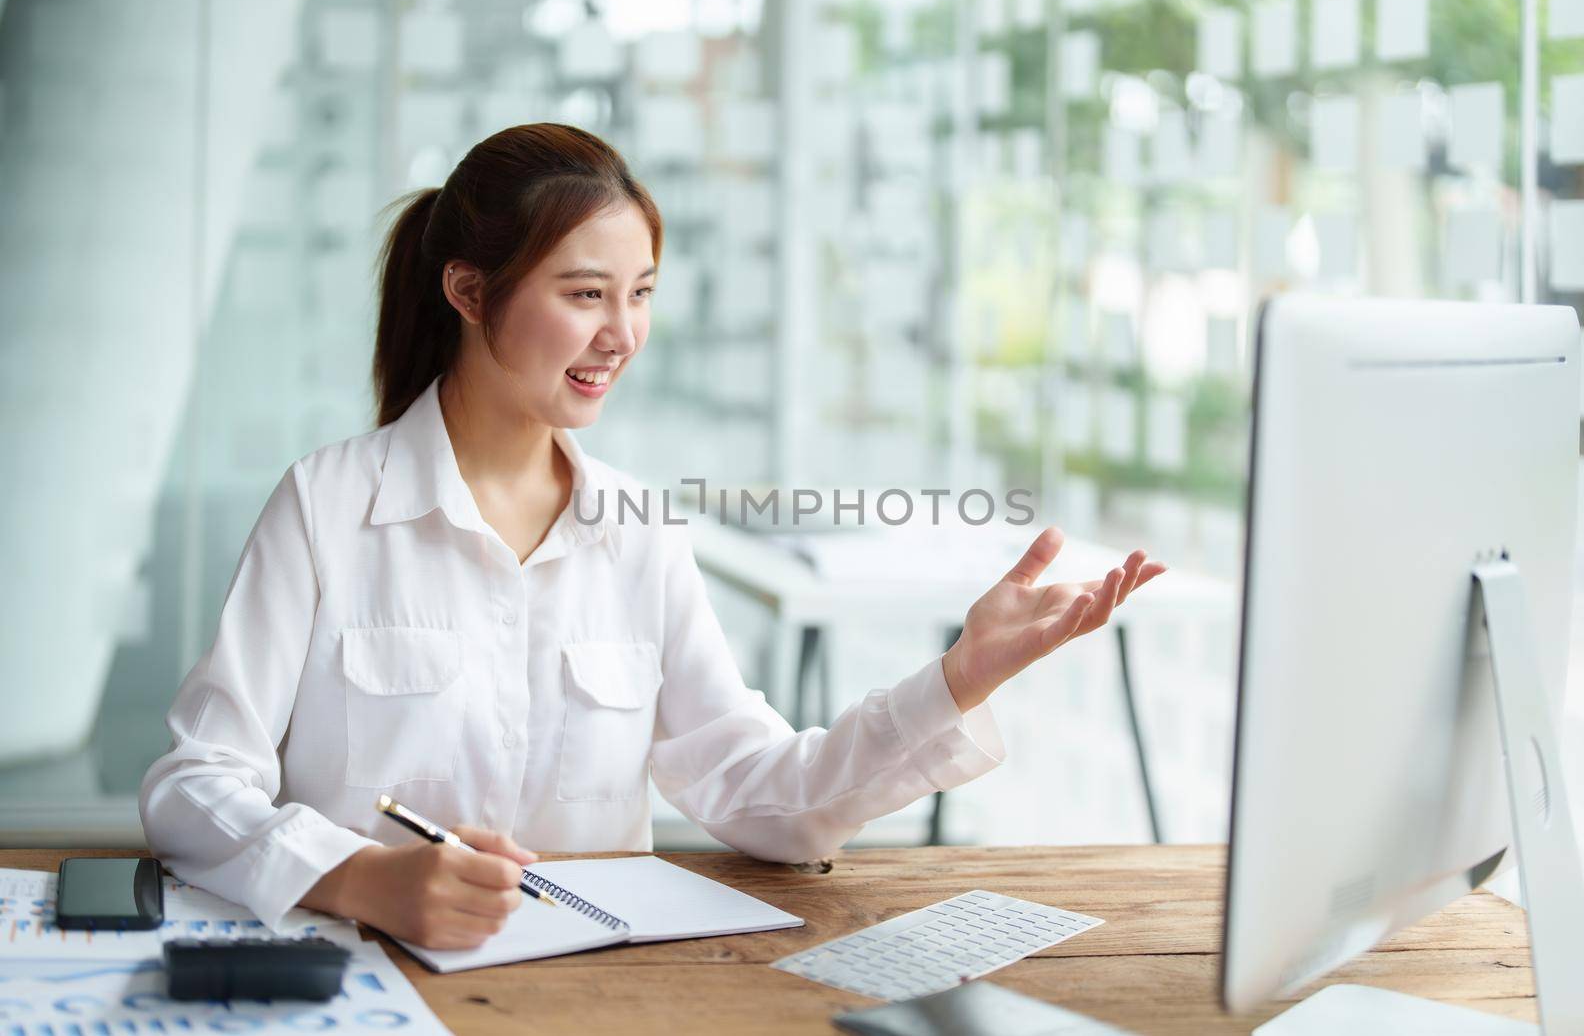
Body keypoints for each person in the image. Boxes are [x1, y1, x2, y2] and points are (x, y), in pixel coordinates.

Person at [138, 123, 1164, 951]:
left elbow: (771, 797)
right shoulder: (325, 507)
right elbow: (194, 785)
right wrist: (361, 876)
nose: (620, 335)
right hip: (374, 981)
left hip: (601, 995)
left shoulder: (640, 531)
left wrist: (959, 678)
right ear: (468, 291)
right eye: (584, 294)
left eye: (639, 295)